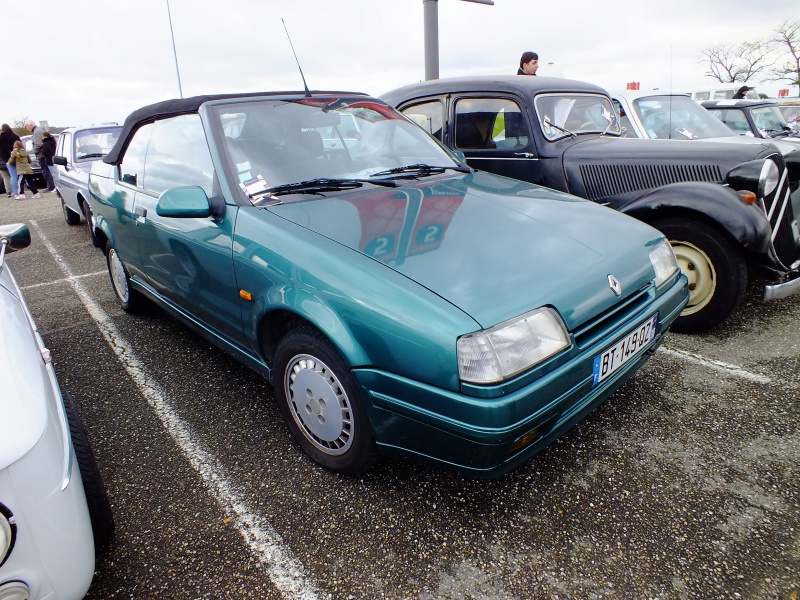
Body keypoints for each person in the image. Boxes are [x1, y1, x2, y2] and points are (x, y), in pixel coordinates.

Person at [0, 123, 21, 198]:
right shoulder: (15, 136)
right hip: (18, 157)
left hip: (7, 159)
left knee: (13, 176)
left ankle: (16, 193)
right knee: (20, 175)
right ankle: (21, 191)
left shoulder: (1, 137)